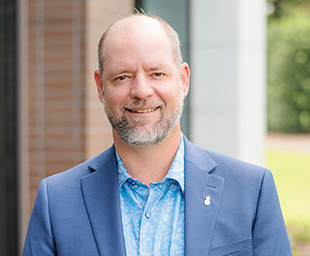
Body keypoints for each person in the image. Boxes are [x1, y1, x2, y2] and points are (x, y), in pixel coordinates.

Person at [23, 14, 292, 256]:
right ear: (100, 87)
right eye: (122, 77)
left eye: (157, 73)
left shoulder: (251, 192)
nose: (141, 90)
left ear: (183, 80)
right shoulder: (56, 202)